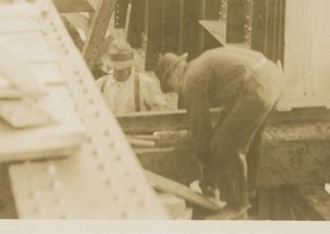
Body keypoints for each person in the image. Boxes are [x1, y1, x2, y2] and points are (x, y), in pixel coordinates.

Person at [157, 47, 285, 219]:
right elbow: (230, 101)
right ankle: (249, 192)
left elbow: (201, 131)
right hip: (273, 79)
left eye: (171, 88)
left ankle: (237, 204)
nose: (175, 93)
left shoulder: (191, 80)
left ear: (174, 75)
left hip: (256, 87)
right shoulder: (201, 63)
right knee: (250, 139)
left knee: (224, 144)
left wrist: (208, 177)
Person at [96, 38, 164, 115]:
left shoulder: (147, 84)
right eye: (120, 69)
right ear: (112, 66)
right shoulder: (99, 86)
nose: (125, 72)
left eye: (128, 67)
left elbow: (160, 114)